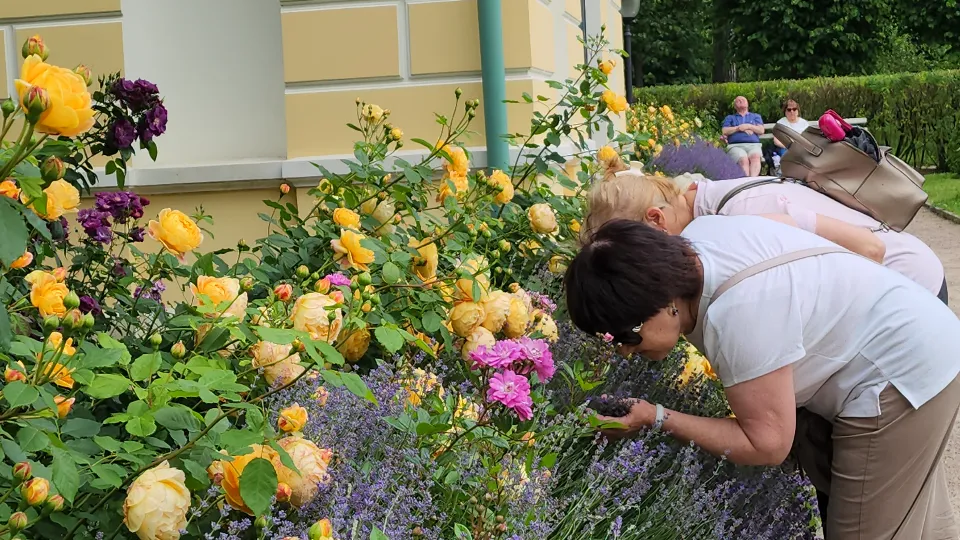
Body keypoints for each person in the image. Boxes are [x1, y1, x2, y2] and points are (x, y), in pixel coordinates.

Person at [565, 217, 960, 540]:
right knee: (919, 520)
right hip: (918, 330)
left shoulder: (738, 313)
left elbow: (767, 444)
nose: (624, 350)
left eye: (626, 335)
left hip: (897, 373)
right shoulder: (700, 237)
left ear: (664, 301)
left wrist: (656, 416)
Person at [584, 164, 948, 303]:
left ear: (655, 220)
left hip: (912, 285)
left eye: (634, 251)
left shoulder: (741, 216)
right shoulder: (708, 197)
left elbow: (870, 252)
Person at [722, 96, 765, 176]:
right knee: (743, 160)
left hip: (753, 145)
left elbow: (761, 130)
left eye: (743, 100)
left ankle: (752, 181)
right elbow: (725, 131)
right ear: (735, 106)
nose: (741, 100)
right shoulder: (730, 118)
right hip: (735, 146)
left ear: (747, 104)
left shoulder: (756, 116)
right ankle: (747, 182)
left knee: (755, 157)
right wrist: (739, 128)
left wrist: (748, 126)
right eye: (738, 100)